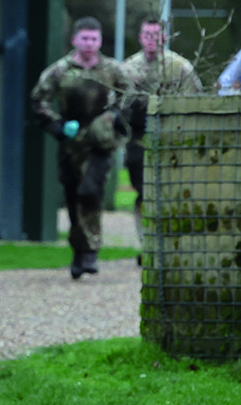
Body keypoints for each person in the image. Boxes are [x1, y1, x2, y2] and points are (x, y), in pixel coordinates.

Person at [30, 17, 135, 278]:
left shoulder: (112, 69)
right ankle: (78, 248)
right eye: (85, 39)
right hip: (70, 142)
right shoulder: (60, 70)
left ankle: (91, 251)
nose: (89, 44)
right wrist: (56, 126)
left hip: (100, 142)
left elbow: (131, 96)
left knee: (91, 191)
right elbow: (38, 100)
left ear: (100, 41)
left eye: (94, 39)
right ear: (75, 40)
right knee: (73, 195)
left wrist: (116, 119)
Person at [120, 16, 202, 223]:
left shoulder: (180, 67)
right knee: (143, 188)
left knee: (171, 189)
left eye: (156, 35)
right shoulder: (128, 69)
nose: (151, 40)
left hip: (173, 139)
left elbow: (194, 101)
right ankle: (145, 236)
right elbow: (117, 104)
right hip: (139, 139)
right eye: (147, 35)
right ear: (140, 37)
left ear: (164, 37)